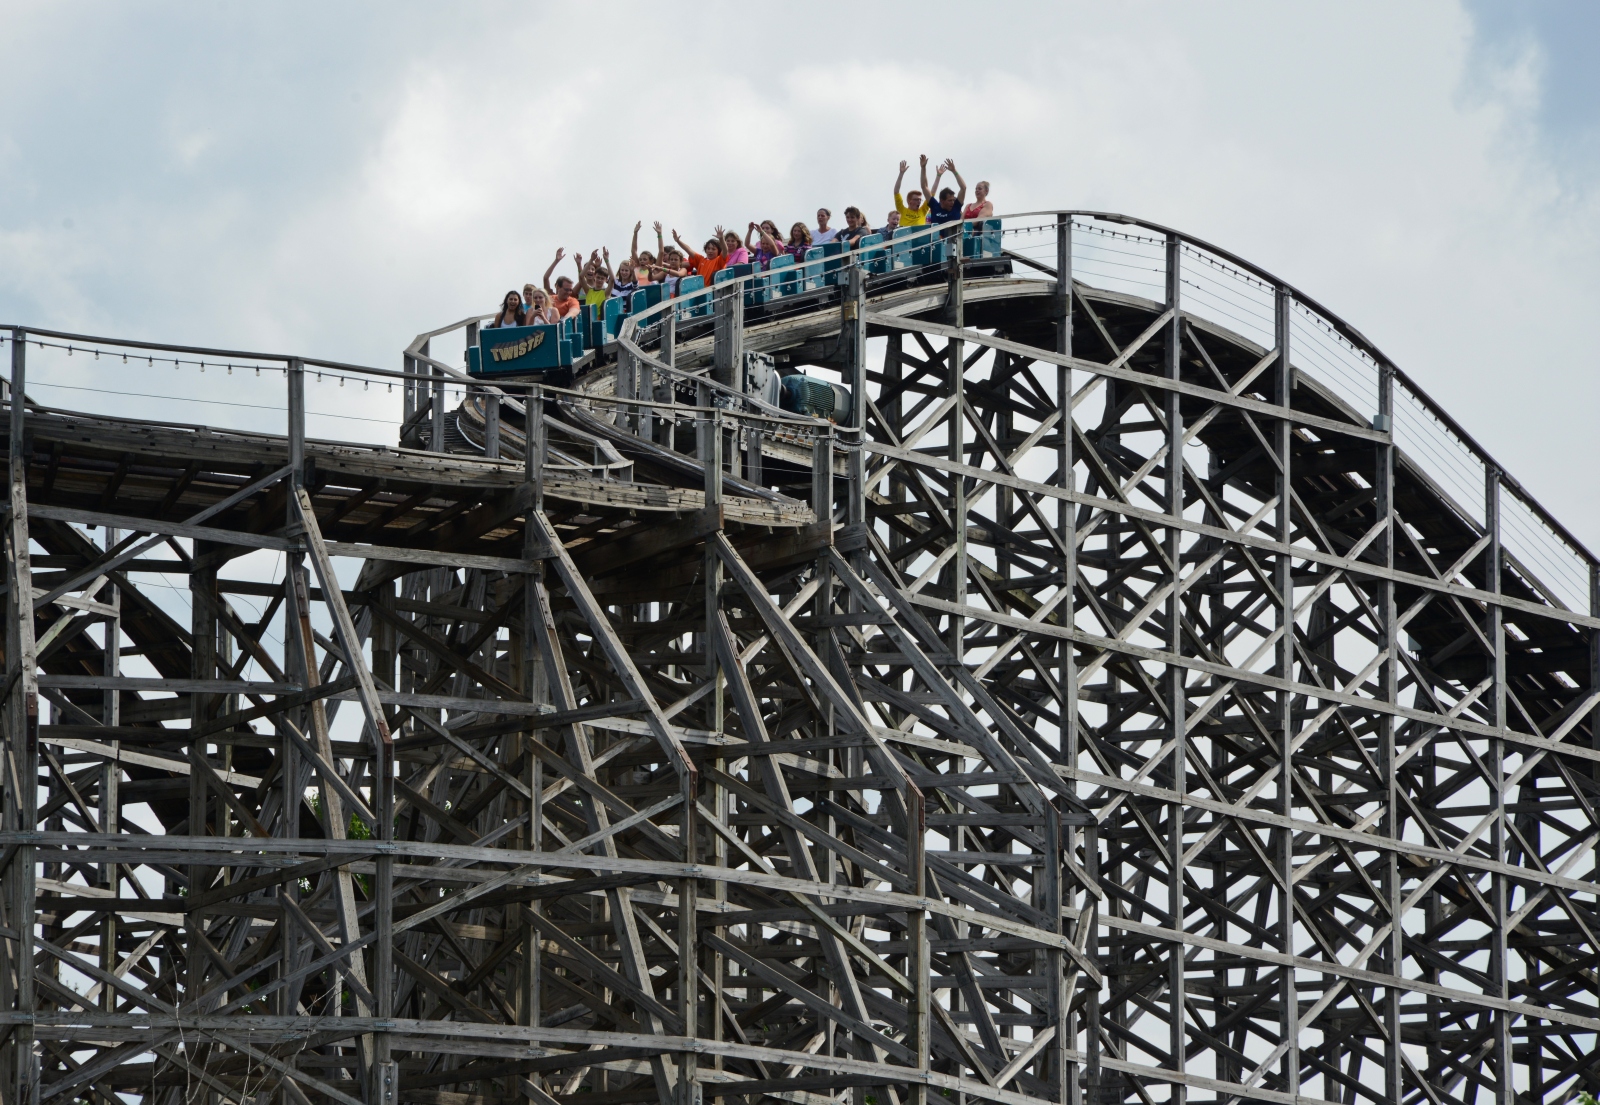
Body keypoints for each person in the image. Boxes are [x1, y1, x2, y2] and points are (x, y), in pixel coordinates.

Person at [542, 249, 584, 320]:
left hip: (563, 327)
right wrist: (556, 261)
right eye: (566, 290)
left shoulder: (572, 301)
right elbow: (545, 278)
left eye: (570, 290)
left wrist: (563, 321)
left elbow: (573, 312)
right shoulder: (550, 298)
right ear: (558, 287)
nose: (569, 292)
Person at [892, 157, 932, 228]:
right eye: (916, 199)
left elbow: (926, 189)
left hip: (920, 238)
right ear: (909, 201)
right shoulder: (902, 210)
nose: (919, 202)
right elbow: (896, 191)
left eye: (920, 200)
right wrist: (901, 174)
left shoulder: (922, 211)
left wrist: (923, 168)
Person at [927, 158, 966, 226]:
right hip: (938, 236)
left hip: (954, 236)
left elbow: (963, 188)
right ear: (942, 201)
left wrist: (954, 171)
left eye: (953, 200)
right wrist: (924, 168)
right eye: (949, 200)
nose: (952, 202)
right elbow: (925, 188)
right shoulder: (935, 206)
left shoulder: (956, 207)